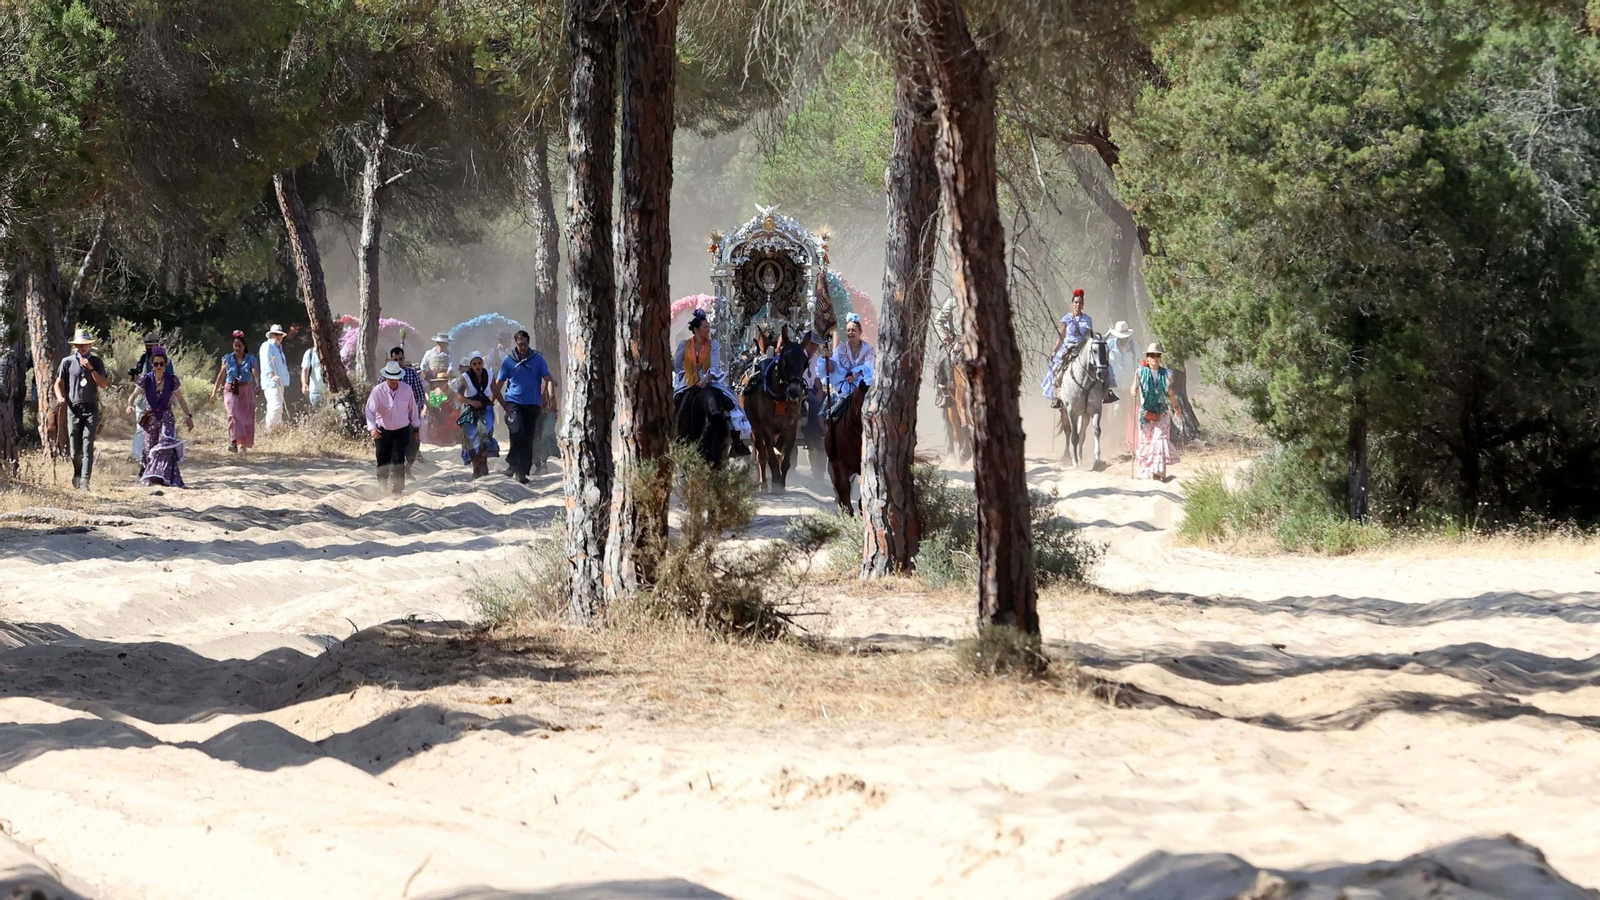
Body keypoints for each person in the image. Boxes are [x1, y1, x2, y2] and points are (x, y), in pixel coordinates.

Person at [494, 329, 557, 483]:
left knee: (528, 437)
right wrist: (502, 404)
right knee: (516, 432)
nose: (522, 347)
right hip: (513, 403)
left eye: (525, 344)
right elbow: (498, 385)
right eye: (520, 344)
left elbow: (548, 378)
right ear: (516, 343)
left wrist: (551, 397)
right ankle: (512, 465)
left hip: (532, 404)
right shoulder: (509, 361)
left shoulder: (538, 359)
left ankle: (522, 471)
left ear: (529, 343)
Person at [127, 345, 193, 487]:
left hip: (167, 416)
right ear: (152, 365)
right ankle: (151, 475)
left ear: (165, 365)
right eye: (156, 364)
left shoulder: (171, 380)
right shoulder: (146, 379)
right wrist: (129, 405)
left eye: (161, 364)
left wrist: (188, 416)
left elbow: (181, 399)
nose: (158, 366)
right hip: (151, 417)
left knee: (165, 443)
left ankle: (164, 476)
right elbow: (133, 395)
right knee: (149, 446)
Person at [54, 328, 110, 490]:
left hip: (91, 409)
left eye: (85, 344)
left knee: (87, 446)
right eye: (79, 344)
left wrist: (91, 368)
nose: (83, 347)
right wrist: (60, 397)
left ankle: (85, 482)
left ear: (90, 344)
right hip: (73, 410)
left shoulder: (97, 362)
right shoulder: (67, 362)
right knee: (74, 451)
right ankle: (77, 474)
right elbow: (58, 383)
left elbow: (104, 384)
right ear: (76, 346)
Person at [1043, 288, 1118, 409]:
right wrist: (1054, 351)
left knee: (1104, 365)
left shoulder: (1087, 319)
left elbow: (1089, 335)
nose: (1078, 305)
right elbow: (1061, 337)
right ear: (1072, 304)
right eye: (1076, 302)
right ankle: (1058, 396)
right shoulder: (1066, 319)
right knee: (1056, 368)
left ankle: (1106, 392)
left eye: (1080, 303)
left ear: (1083, 305)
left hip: (1083, 347)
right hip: (1068, 347)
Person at [366, 360, 420, 494]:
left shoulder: (407, 390)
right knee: (382, 458)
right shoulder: (378, 391)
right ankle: (382, 486)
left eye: (395, 377)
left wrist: (416, 429)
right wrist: (372, 428)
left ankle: (398, 488)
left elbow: (413, 409)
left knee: (398, 459)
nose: (393, 380)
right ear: (386, 377)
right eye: (390, 377)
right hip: (382, 430)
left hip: (401, 429)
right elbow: (369, 411)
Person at [1135, 342, 1181, 481]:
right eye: (1152, 356)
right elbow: (1134, 388)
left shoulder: (1166, 374)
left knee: (1159, 440)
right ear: (1147, 358)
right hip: (1146, 413)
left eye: (1157, 355)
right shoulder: (1140, 373)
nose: (1155, 358)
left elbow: (1170, 393)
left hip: (1161, 412)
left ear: (1160, 358)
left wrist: (1176, 407)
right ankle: (1146, 471)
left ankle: (1158, 472)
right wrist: (1133, 391)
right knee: (1147, 442)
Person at [210, 331, 257, 452]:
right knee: (232, 413)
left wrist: (258, 383)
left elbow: (255, 372)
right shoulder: (227, 359)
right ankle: (233, 441)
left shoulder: (250, 359)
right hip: (231, 388)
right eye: (235, 346)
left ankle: (243, 443)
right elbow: (221, 375)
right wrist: (214, 392)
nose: (237, 348)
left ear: (244, 346)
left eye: (239, 346)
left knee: (245, 417)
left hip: (245, 389)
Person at [457, 351, 499, 478]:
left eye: (479, 363)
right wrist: (472, 402)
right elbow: (459, 396)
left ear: (482, 363)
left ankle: (483, 461)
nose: (477, 366)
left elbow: (495, 391)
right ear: (470, 365)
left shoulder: (490, 374)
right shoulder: (465, 377)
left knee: (485, 432)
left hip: (485, 407)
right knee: (471, 437)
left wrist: (499, 404)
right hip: (469, 409)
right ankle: (476, 467)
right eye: (474, 363)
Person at [828, 314, 875, 420]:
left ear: (860, 332)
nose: (850, 333)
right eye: (848, 330)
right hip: (844, 385)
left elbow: (868, 368)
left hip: (863, 384)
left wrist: (855, 376)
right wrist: (827, 360)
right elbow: (833, 366)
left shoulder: (868, 350)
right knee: (832, 412)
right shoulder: (841, 349)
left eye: (853, 330)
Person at [388, 346, 426, 474]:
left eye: (400, 359)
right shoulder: (385, 376)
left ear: (404, 359)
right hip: (391, 417)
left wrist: (416, 409)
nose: (398, 362)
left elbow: (420, 395)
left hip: (409, 416)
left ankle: (407, 468)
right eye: (395, 359)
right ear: (391, 360)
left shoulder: (412, 374)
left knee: (414, 443)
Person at [128, 331, 160, 461]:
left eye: (153, 344)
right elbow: (137, 379)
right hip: (142, 397)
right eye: (149, 345)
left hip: (158, 397)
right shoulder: (142, 359)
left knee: (157, 429)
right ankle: (138, 457)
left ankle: (155, 456)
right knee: (141, 428)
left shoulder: (163, 360)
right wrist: (134, 375)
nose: (151, 347)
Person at [258, 324, 291, 432]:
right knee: (275, 406)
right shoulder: (267, 345)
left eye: (280, 335)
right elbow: (266, 361)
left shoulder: (279, 348)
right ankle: (270, 430)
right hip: (272, 382)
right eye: (276, 334)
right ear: (271, 335)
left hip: (280, 381)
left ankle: (277, 429)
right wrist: (271, 375)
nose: (278, 337)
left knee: (278, 407)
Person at [300, 343, 326, 408]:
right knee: (320, 414)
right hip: (316, 392)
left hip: (331, 391)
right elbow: (305, 370)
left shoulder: (332, 352)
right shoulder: (310, 353)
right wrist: (304, 384)